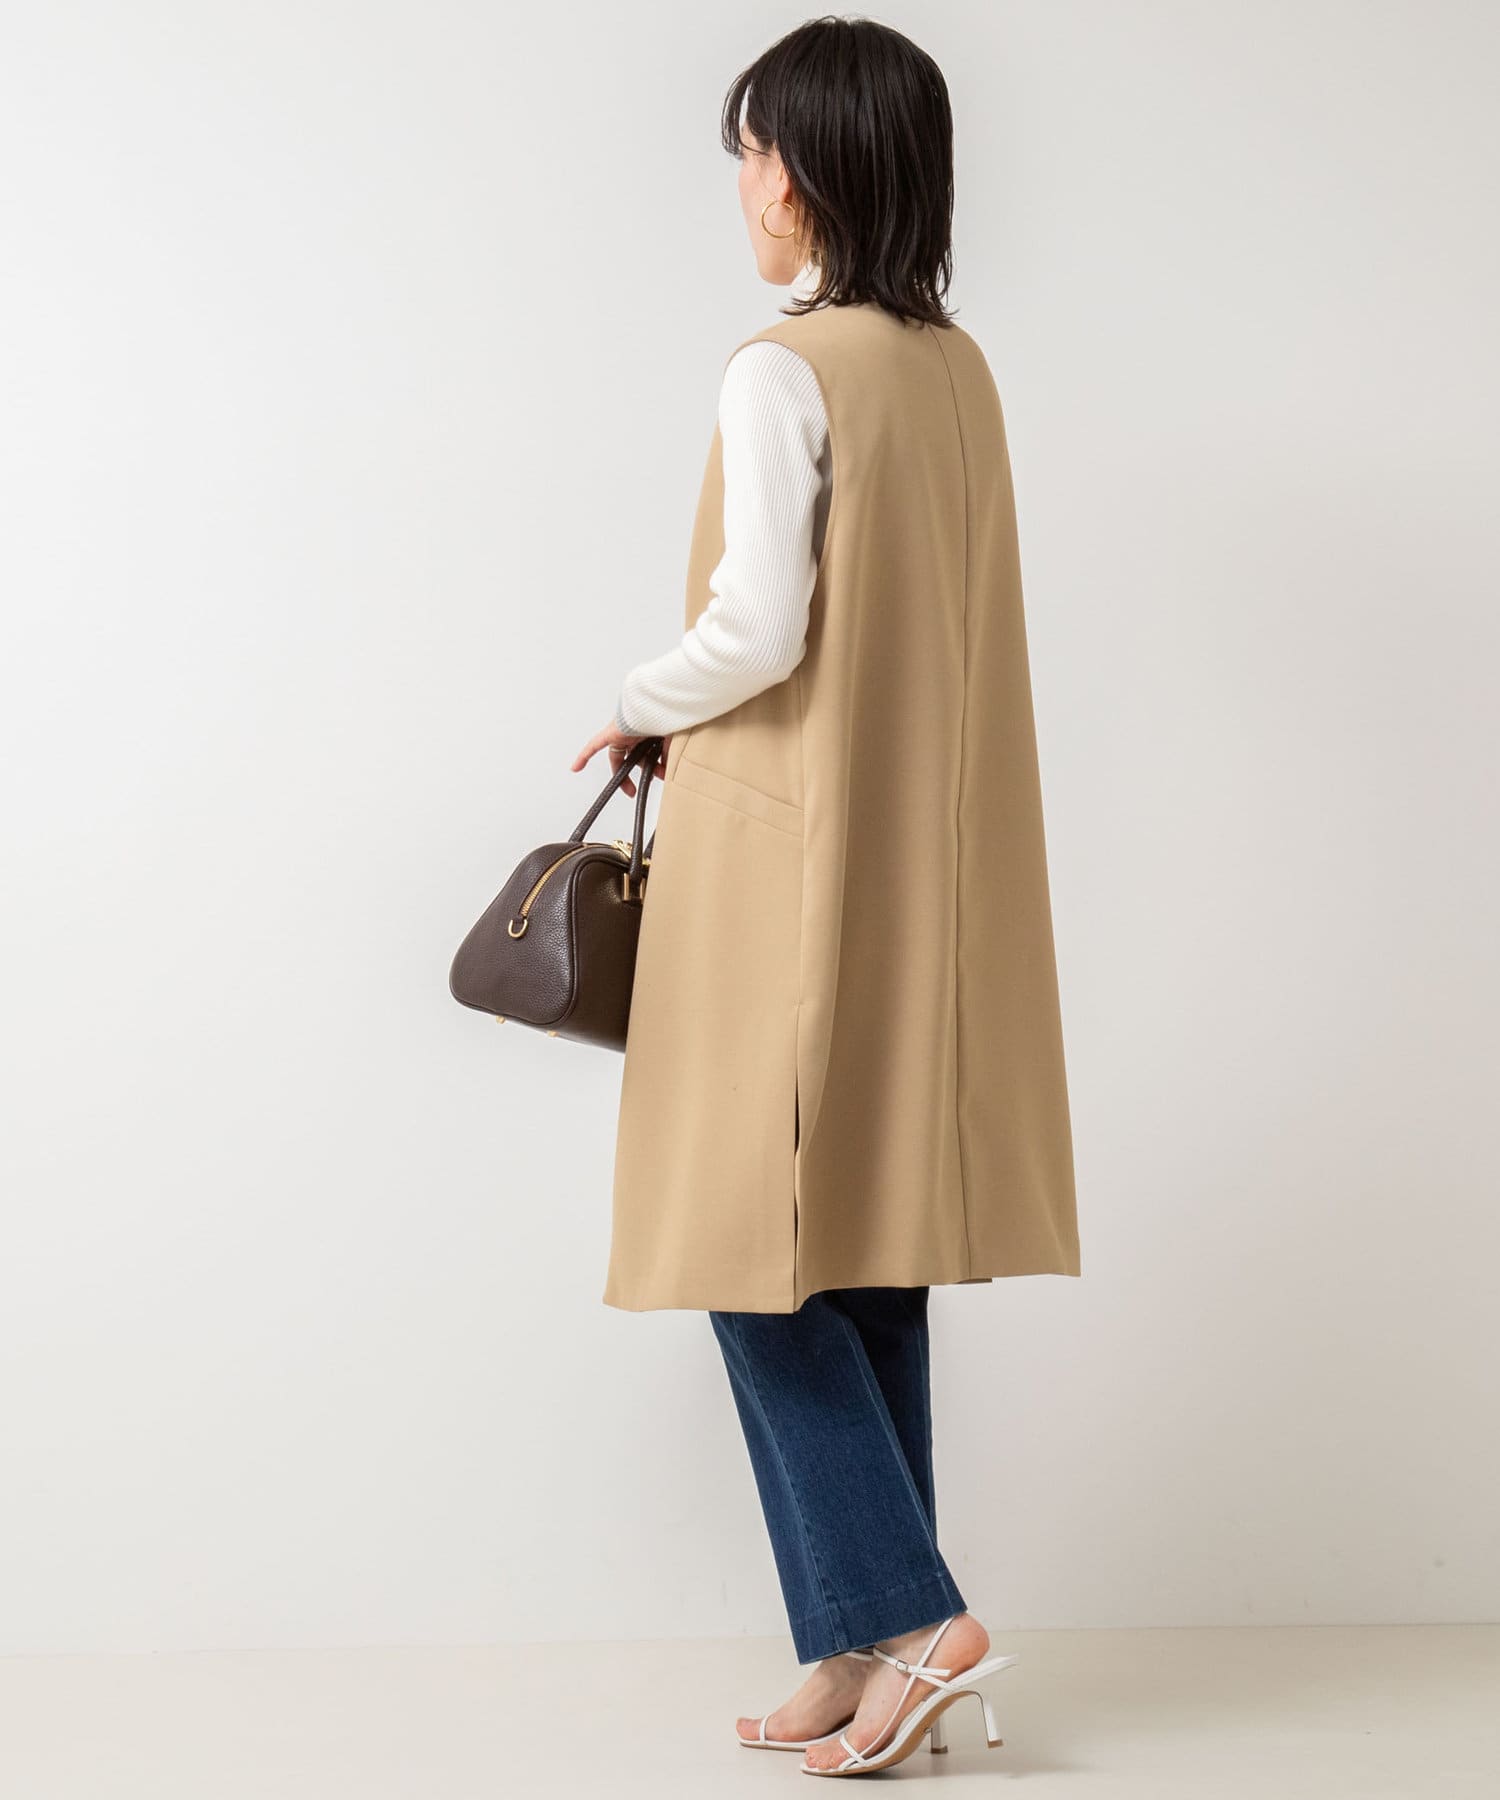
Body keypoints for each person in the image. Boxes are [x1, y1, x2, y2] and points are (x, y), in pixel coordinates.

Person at [571, 17, 1080, 1777]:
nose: (743, 182)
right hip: (916, 867)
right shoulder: (957, 371)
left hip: (784, 860)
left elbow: (757, 628)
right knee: (858, 1245)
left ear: (803, 174)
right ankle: (862, 1648)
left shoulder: (782, 368)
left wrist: (636, 699)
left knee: (744, 1238)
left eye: (752, 150)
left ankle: (912, 1617)